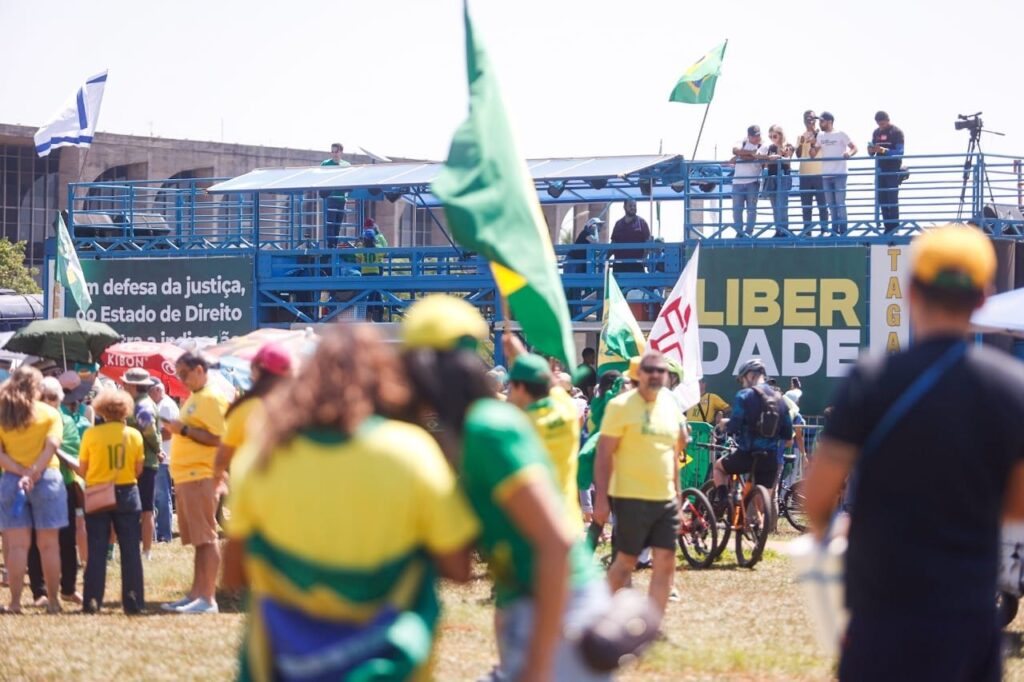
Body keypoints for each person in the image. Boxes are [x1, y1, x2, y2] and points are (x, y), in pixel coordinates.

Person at [804, 224, 1024, 682]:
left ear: (910, 292)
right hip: (968, 620)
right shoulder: (1011, 389)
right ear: (983, 297)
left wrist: (838, 535)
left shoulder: (870, 379)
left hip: (883, 616)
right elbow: (1017, 507)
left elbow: (817, 499)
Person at [223, 324, 478, 680]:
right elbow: (458, 568)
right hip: (388, 663)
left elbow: (233, 575)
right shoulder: (411, 452)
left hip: (287, 663)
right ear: (383, 377)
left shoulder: (263, 454)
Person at [400, 295, 608, 681]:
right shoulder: (475, 428)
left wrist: (539, 665)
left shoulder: (489, 430)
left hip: (559, 608)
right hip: (526, 601)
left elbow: (556, 544)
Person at [594, 350, 687, 617]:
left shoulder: (670, 407)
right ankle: (596, 616)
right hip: (630, 496)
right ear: (639, 375)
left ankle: (651, 625)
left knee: (665, 562)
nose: (657, 375)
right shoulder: (620, 406)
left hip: (665, 498)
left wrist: (678, 499)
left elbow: (672, 454)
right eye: (651, 370)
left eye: (662, 371)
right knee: (625, 562)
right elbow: (604, 453)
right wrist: (601, 499)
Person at [162, 351, 229, 614]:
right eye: (178, 375)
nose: (181, 380)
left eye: (184, 374)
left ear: (200, 369)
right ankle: (196, 594)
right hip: (188, 477)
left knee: (207, 538)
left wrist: (184, 430)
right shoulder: (197, 398)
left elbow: (219, 439)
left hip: (201, 476)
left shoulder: (212, 398)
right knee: (199, 541)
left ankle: (208, 598)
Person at [0, 366, 66, 614]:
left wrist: (20, 471)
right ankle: (53, 601)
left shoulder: (3, 414)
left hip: (11, 481)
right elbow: (52, 447)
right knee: (49, 545)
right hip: (47, 478)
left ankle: (15, 603)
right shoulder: (50, 413)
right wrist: (34, 472)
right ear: (37, 388)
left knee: (16, 547)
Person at [77, 389, 145, 614]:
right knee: (130, 550)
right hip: (127, 493)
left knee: (96, 549)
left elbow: (83, 469)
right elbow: (139, 469)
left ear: (101, 409)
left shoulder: (91, 435)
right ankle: (133, 601)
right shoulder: (134, 435)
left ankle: (92, 601)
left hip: (98, 492)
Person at [505, 349, 584, 533]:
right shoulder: (566, 407)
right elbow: (550, 383)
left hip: (532, 527)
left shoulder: (519, 426)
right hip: (568, 524)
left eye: (511, 387)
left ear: (521, 389)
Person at [26, 377, 82, 607]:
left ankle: (68, 588)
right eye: (44, 397)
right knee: (32, 541)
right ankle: (39, 592)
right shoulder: (27, 420)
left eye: (53, 398)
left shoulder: (66, 421)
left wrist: (46, 451)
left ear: (60, 399)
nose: (49, 402)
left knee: (67, 540)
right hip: (31, 483)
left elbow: (69, 451)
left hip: (63, 483)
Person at [711, 358, 793, 513]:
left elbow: (735, 424)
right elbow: (787, 434)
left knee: (718, 468)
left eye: (742, 379)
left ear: (750, 375)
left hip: (746, 454)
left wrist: (724, 424)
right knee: (761, 502)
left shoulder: (745, 395)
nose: (742, 383)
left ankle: (722, 500)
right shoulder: (779, 399)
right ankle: (758, 525)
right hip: (770, 458)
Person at [212, 342, 292, 500]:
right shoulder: (298, 407)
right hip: (289, 495)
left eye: (252, 367)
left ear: (258, 370)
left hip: (253, 496)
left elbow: (222, 456)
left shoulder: (245, 409)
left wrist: (217, 477)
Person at [120, 368, 162, 560]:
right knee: (144, 508)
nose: (123, 386)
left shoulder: (142, 406)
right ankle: (144, 550)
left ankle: (146, 551)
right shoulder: (141, 403)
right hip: (142, 462)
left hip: (144, 463)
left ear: (134, 386)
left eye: (126, 383)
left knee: (145, 509)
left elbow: (149, 432)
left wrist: (158, 449)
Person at [811, 112, 857, 236]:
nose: (820, 124)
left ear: (830, 121)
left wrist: (849, 154)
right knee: (831, 205)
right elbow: (813, 155)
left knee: (840, 203)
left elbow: (854, 147)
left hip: (840, 173)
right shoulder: (820, 136)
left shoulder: (840, 134)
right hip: (826, 175)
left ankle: (843, 231)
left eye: (822, 121)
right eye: (820, 121)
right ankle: (834, 231)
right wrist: (812, 142)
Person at [148, 380, 178, 543]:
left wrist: (150, 437)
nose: (147, 395)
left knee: (161, 495)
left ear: (157, 390)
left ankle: (164, 534)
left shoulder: (165, 406)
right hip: (163, 455)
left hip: (164, 456)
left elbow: (169, 432)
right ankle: (161, 532)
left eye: (149, 391)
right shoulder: (163, 404)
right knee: (160, 495)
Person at [867, 110, 906, 235]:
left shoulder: (896, 132)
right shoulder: (876, 132)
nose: (881, 126)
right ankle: (887, 227)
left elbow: (900, 152)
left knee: (892, 198)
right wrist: (871, 150)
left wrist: (884, 150)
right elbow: (872, 153)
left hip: (893, 168)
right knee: (882, 199)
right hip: (880, 169)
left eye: (883, 123)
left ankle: (894, 227)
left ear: (888, 120)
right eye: (879, 124)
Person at [795, 110, 829, 236]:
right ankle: (807, 231)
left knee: (822, 204)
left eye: (811, 118)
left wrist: (814, 132)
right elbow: (798, 155)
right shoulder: (801, 136)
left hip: (820, 173)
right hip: (804, 174)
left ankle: (824, 230)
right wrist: (802, 142)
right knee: (806, 205)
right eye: (806, 118)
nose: (809, 120)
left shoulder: (822, 134)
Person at [730, 125, 768, 237]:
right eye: (754, 136)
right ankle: (739, 232)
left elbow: (757, 156)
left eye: (758, 135)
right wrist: (750, 154)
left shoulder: (763, 145)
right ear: (748, 136)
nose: (757, 138)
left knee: (751, 209)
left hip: (753, 181)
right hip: (737, 182)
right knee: (737, 210)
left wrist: (740, 155)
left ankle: (748, 233)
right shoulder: (741, 141)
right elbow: (734, 150)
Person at [566, 218, 603, 316]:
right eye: (598, 225)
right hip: (572, 262)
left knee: (576, 290)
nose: (600, 228)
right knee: (571, 289)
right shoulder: (585, 233)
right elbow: (595, 242)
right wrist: (595, 230)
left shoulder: (587, 234)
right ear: (592, 226)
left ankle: (576, 314)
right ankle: (573, 314)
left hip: (578, 264)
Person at [765, 124, 795, 237]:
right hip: (772, 177)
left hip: (783, 177)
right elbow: (767, 164)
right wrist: (770, 158)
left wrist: (779, 157)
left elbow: (788, 162)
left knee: (782, 205)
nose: (772, 138)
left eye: (774, 136)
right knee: (774, 206)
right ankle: (778, 229)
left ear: (780, 135)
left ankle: (784, 230)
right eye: (770, 136)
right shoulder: (771, 148)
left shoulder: (789, 146)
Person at [320, 142, 351, 247]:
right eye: (332, 152)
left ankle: (335, 244)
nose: (334, 154)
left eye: (336, 151)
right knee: (330, 223)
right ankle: (330, 245)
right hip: (331, 198)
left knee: (338, 224)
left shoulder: (346, 165)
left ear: (341, 152)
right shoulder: (325, 164)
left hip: (342, 198)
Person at [610, 199, 650, 273]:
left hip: (636, 265)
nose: (633, 208)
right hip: (619, 265)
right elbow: (613, 243)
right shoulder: (618, 224)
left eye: (634, 206)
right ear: (624, 207)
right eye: (630, 206)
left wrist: (643, 259)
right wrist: (604, 259)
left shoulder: (642, 223)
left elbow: (648, 243)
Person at [357, 227, 384, 322]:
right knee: (373, 295)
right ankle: (369, 316)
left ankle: (364, 315)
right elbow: (383, 255)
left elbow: (358, 260)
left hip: (365, 273)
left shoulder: (361, 249)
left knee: (364, 295)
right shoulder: (377, 249)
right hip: (375, 273)